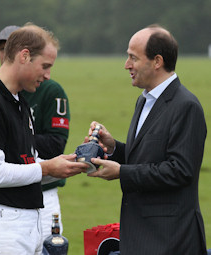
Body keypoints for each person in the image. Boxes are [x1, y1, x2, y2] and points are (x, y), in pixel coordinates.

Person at [0, 23, 87, 255]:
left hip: (23, 224)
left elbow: (25, 160)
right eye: (45, 66)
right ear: (24, 56)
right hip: (1, 228)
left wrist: (65, 164)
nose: (48, 75)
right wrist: (47, 168)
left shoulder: (19, 102)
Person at [86, 24, 207, 254]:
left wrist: (122, 172)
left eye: (133, 57)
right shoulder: (144, 101)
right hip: (140, 237)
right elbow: (145, 157)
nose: (126, 65)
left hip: (170, 240)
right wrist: (113, 148)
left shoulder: (186, 106)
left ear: (157, 61)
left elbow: (180, 170)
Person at [0, 25, 70, 242]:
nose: (4, 54)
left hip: (43, 193)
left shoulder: (50, 90)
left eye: (8, 48)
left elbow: (56, 144)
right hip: (6, 197)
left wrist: (11, 141)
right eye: (1, 49)